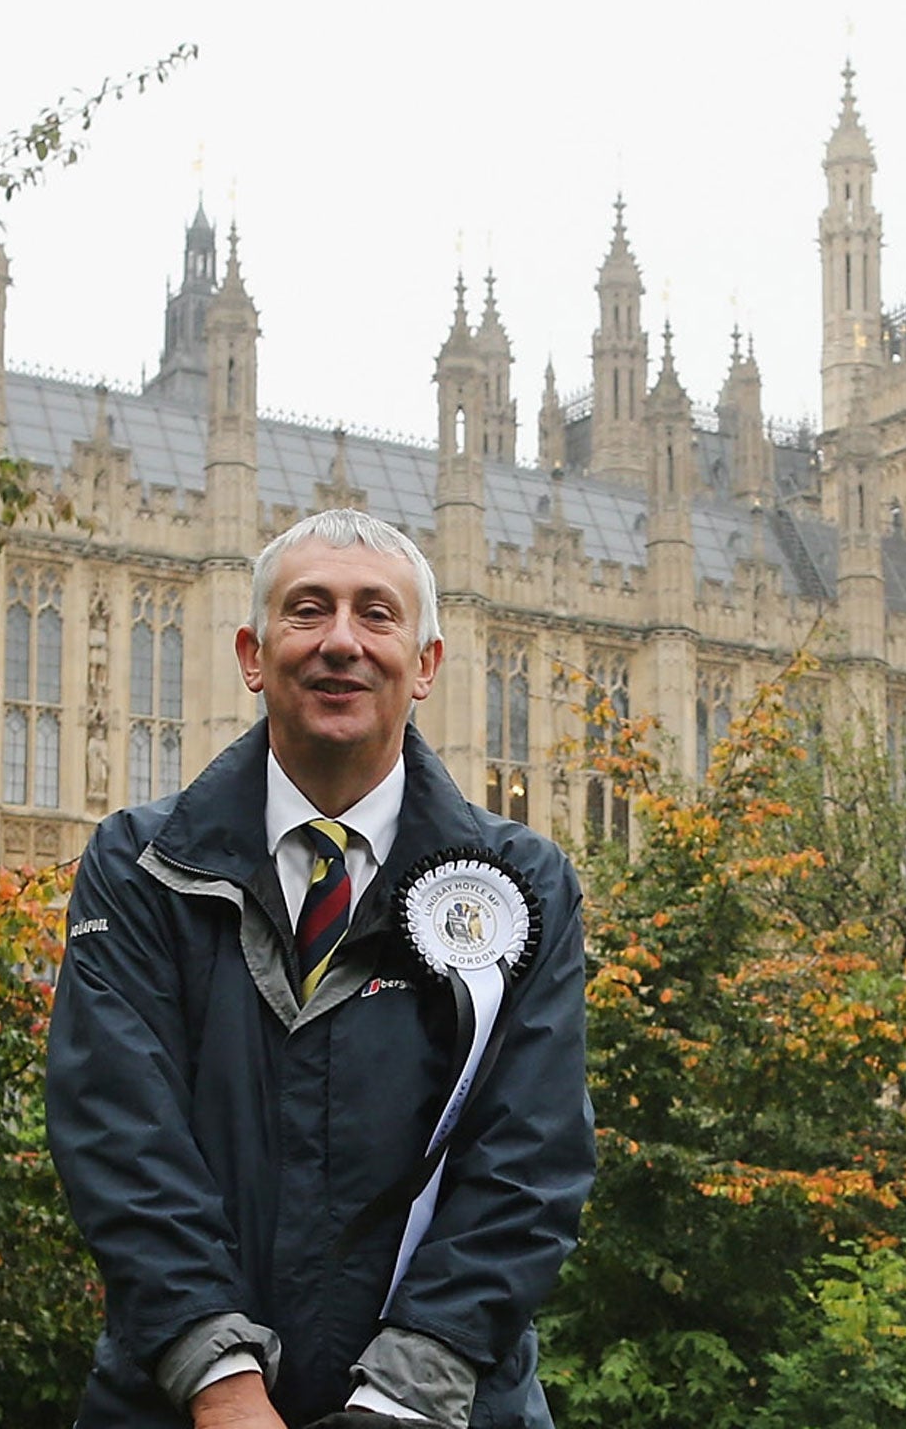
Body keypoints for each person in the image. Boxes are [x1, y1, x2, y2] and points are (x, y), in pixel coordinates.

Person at [47, 508, 595, 1429]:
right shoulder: (139, 864)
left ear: (426, 667)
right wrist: (218, 1380)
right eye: (309, 611)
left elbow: (529, 1159)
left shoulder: (519, 888)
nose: (342, 641)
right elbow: (118, 1132)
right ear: (253, 655)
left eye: (376, 615)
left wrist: (401, 1397)